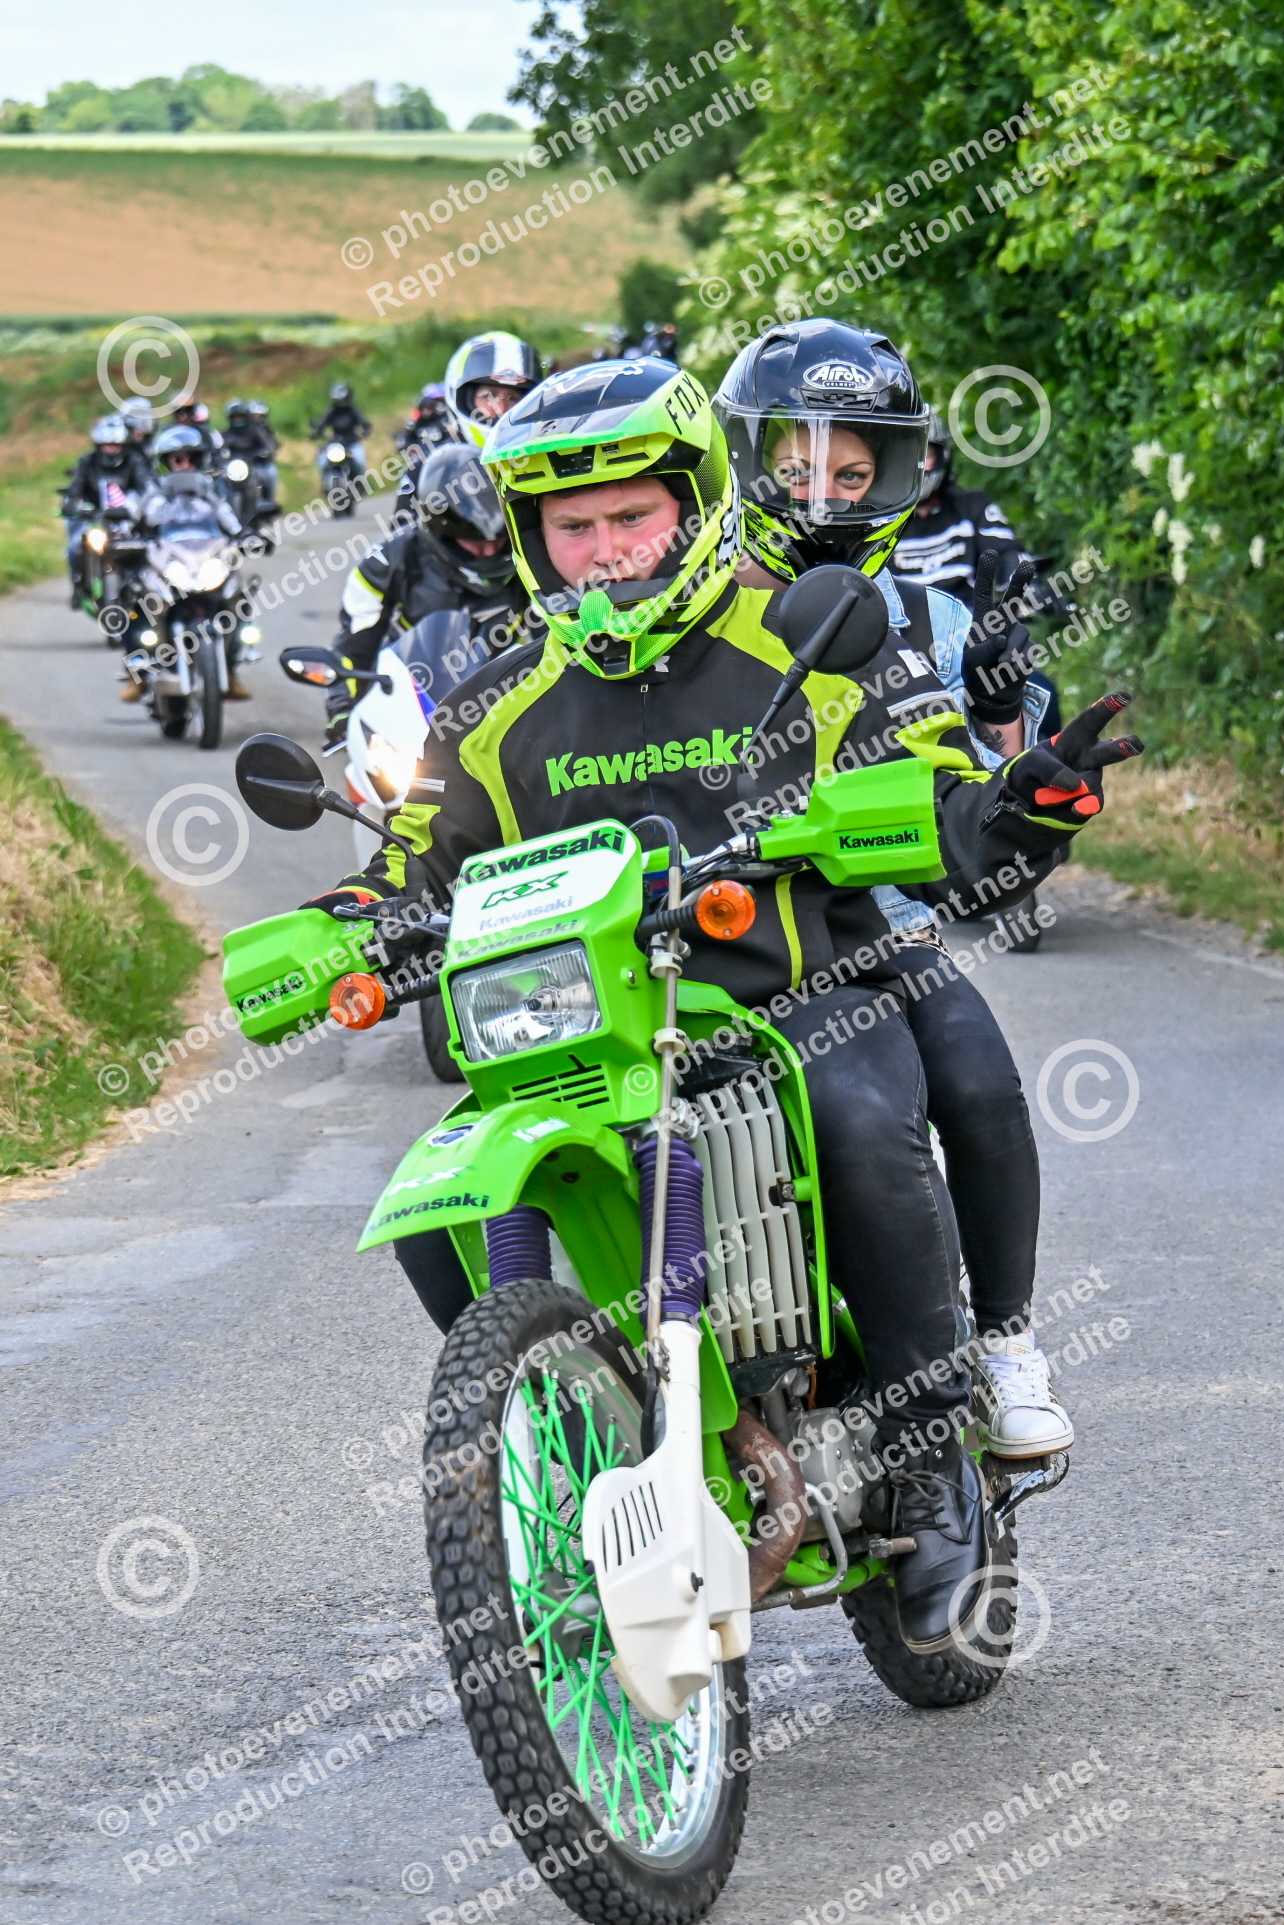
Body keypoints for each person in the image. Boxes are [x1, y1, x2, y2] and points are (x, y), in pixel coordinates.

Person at [304, 355, 1141, 1650]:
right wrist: (348, 928)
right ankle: (575, 1419)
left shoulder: (809, 638)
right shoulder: (491, 708)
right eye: (570, 526)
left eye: (628, 515)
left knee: (860, 1121)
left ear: (694, 505)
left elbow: (940, 792)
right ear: (529, 536)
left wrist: (1016, 807)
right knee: (436, 1211)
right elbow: (412, 864)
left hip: (795, 996)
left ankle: (928, 1462)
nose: (603, 550)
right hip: (587, 1035)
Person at [717, 318, 1072, 1455]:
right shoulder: (697, 608)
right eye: (799, 467)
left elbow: (981, 799)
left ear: (897, 476)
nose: (824, 493)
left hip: (888, 930)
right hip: (722, 933)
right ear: (750, 461)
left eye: (852, 472)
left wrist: (1017, 755)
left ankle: (1006, 1341)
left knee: (978, 1079)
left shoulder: (934, 615)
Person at [320, 442, 543, 748]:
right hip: (410, 696)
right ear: (441, 529)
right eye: (475, 542)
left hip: (507, 692)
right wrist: (343, 710)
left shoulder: (532, 556)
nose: (489, 551)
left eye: (499, 540)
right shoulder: (387, 560)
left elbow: (556, 635)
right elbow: (356, 644)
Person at [891, 406, 1062, 734]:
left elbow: (1007, 552)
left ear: (943, 456)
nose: (918, 465)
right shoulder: (883, 518)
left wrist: (1030, 586)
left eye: (926, 455)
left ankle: (1041, 768)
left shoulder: (972, 507)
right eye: (908, 456)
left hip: (970, 642)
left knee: (1043, 695)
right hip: (901, 652)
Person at [124, 425, 251, 702]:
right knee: (136, 601)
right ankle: (137, 671)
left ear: (200, 460)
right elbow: (132, 522)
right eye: (177, 459)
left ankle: (231, 667)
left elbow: (231, 522)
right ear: (166, 462)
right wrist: (125, 536)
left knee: (238, 597)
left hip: (205, 560)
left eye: (191, 459)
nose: (184, 465)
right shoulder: (152, 494)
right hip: (166, 561)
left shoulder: (211, 494)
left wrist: (247, 536)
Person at [61, 415, 151, 610]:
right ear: (98, 446)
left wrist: (140, 507)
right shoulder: (87, 462)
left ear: (124, 445)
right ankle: (79, 585)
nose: (111, 450)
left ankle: (145, 586)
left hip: (129, 520)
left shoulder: (135, 461)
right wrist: (72, 504)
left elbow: (146, 488)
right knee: (74, 547)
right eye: (107, 446)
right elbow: (75, 490)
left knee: (148, 546)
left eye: (116, 446)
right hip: (95, 519)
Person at [443, 332, 541, 447]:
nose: (501, 409)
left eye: (513, 398)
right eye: (489, 396)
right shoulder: (436, 453)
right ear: (462, 398)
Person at [393, 382, 461, 524]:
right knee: (406, 481)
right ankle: (406, 516)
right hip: (418, 461)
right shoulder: (415, 422)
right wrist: (408, 448)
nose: (426, 411)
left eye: (429, 408)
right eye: (423, 408)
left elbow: (453, 438)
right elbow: (405, 439)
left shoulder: (444, 421)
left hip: (439, 461)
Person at [310, 382, 370, 471]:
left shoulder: (353, 410)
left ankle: (360, 479)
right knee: (322, 462)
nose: (341, 401)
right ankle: (326, 478)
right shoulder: (331, 411)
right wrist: (316, 432)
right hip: (335, 444)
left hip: (352, 444)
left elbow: (364, 423)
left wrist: (364, 432)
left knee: (359, 463)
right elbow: (321, 423)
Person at [172, 400, 223, 469]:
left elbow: (214, 454)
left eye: (188, 411)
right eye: (179, 412)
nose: (184, 416)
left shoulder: (203, 433)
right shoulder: (168, 434)